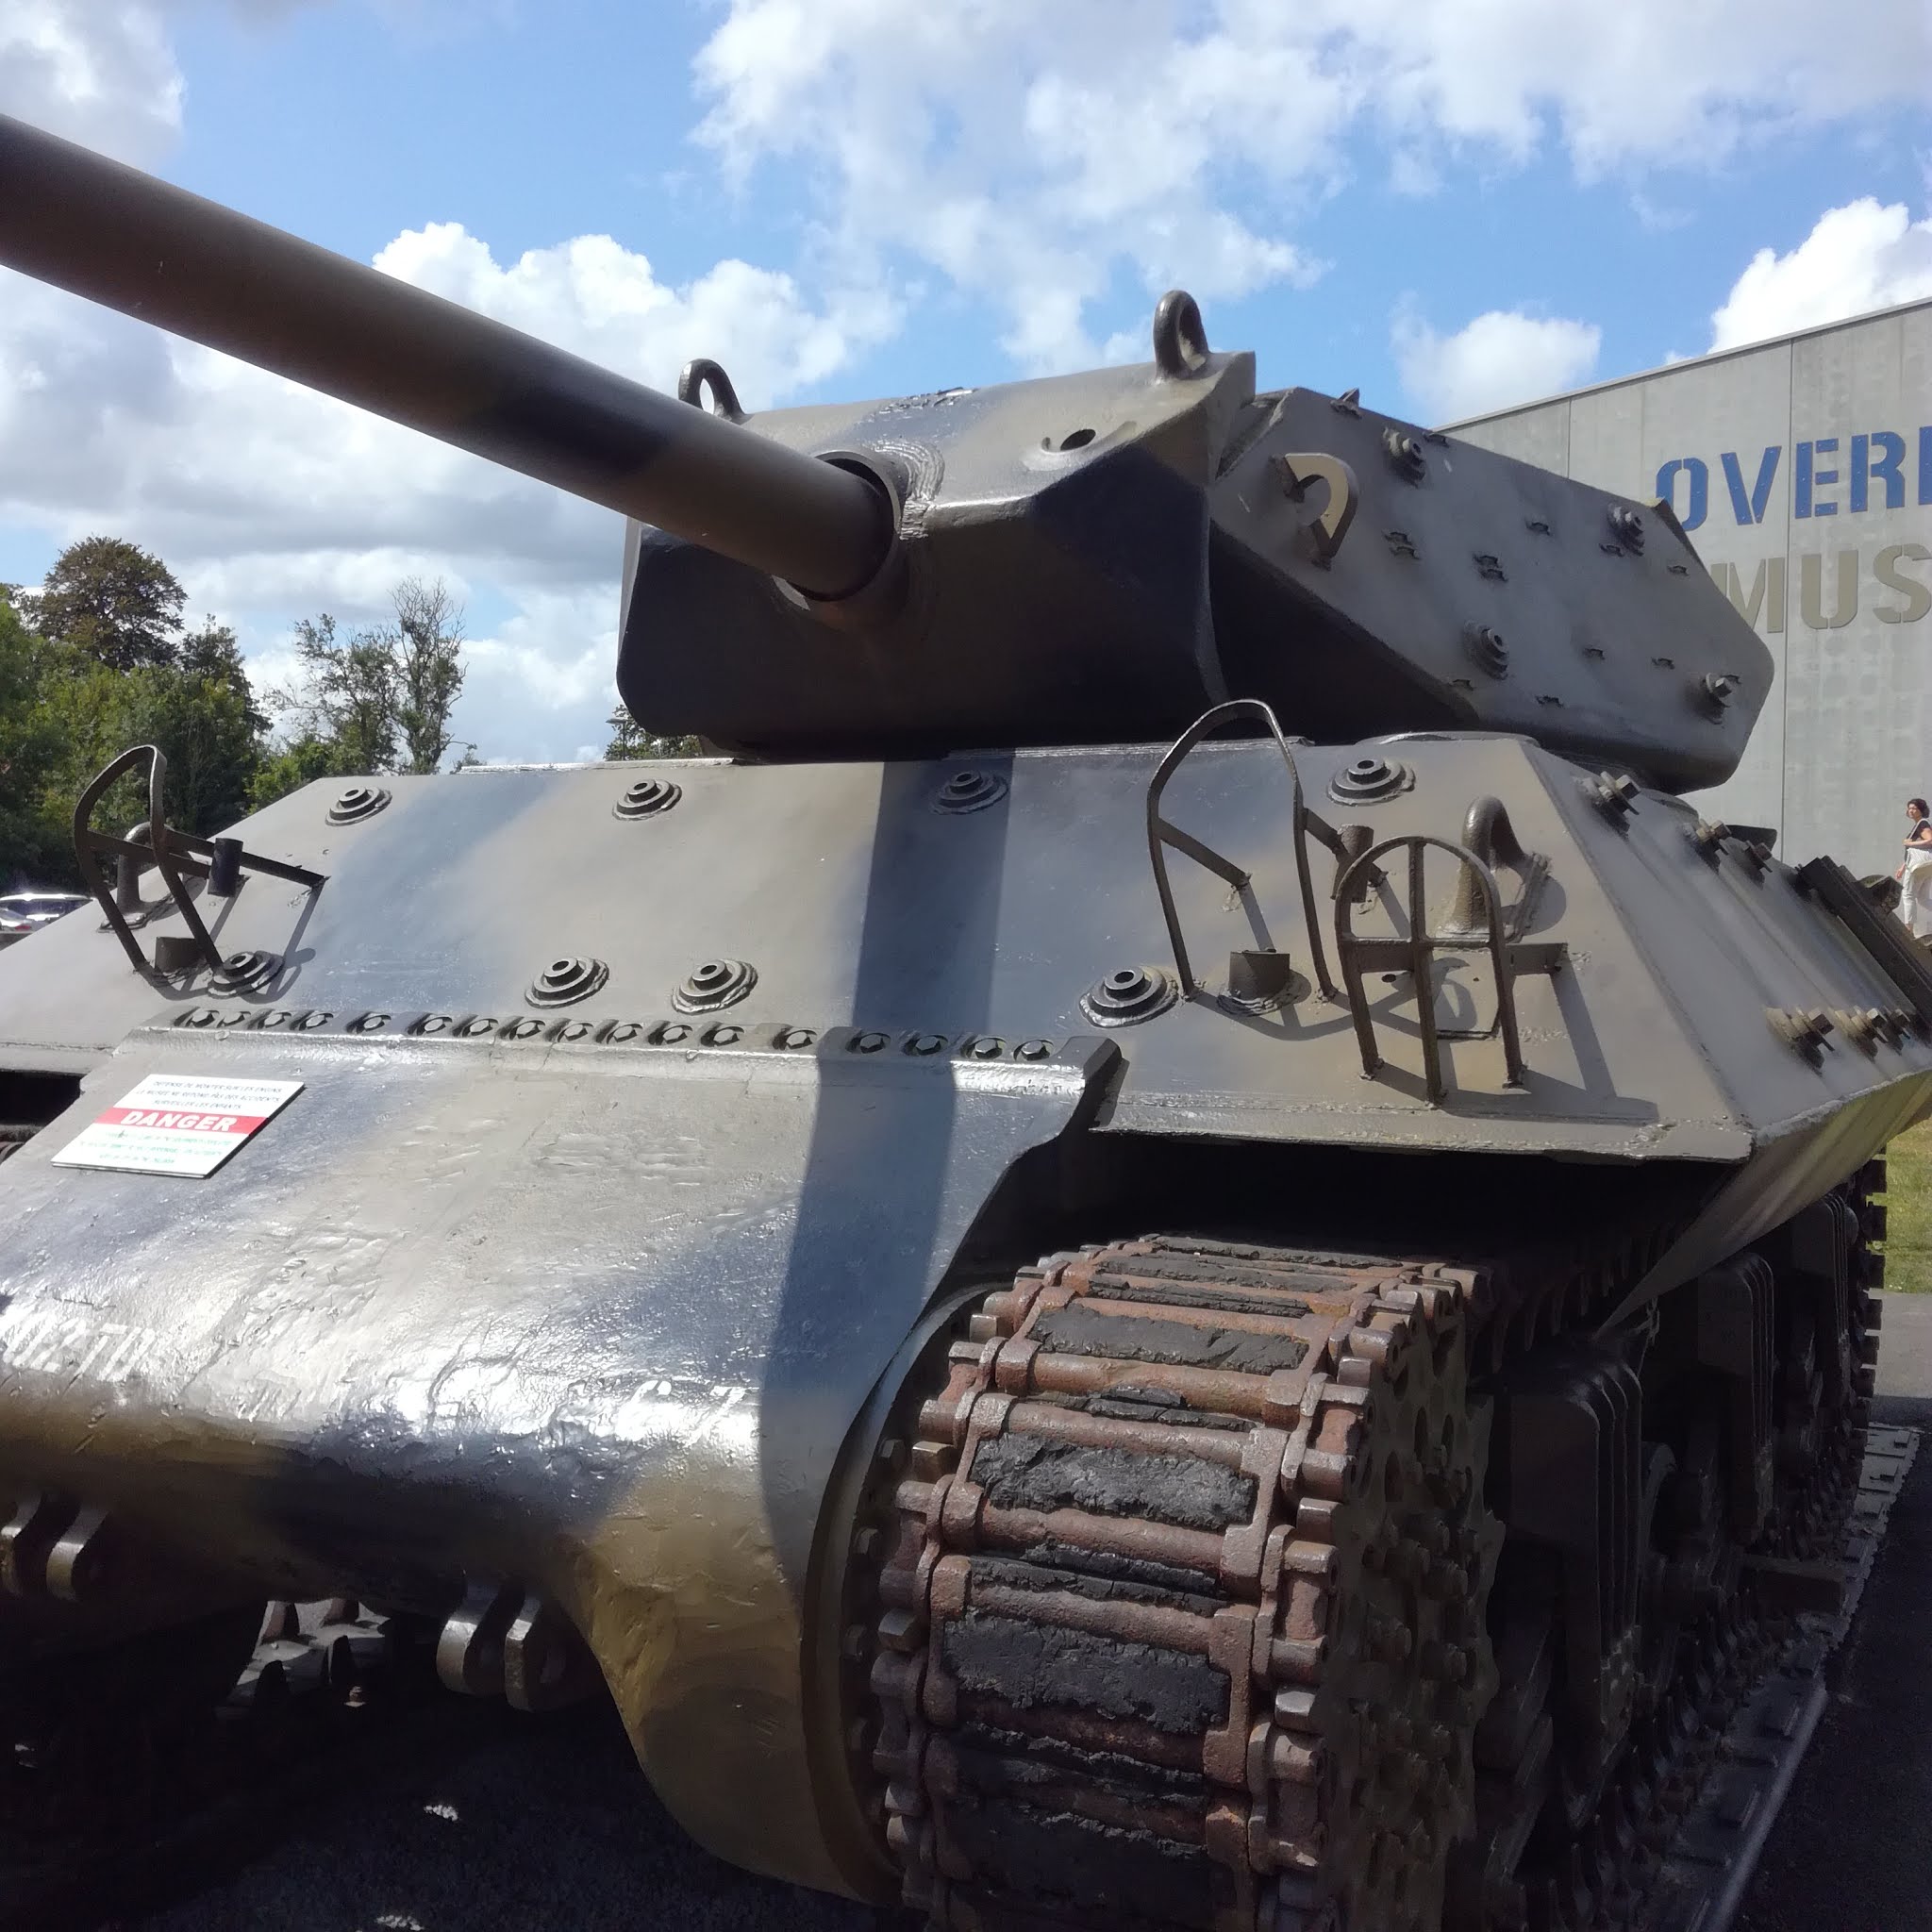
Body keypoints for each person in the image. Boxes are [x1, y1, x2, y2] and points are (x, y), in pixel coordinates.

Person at [1897, 797, 1932, 938]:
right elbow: (1916, 852)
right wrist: (1902, 867)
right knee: (1922, 898)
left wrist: (1909, 843)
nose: (1911, 811)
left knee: (1908, 894)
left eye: (1914, 808)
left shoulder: (1922, 824)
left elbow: (1930, 840)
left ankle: (1908, 929)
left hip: (1919, 867)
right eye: (1909, 808)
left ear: (1921, 810)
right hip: (1926, 867)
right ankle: (1909, 927)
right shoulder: (1919, 824)